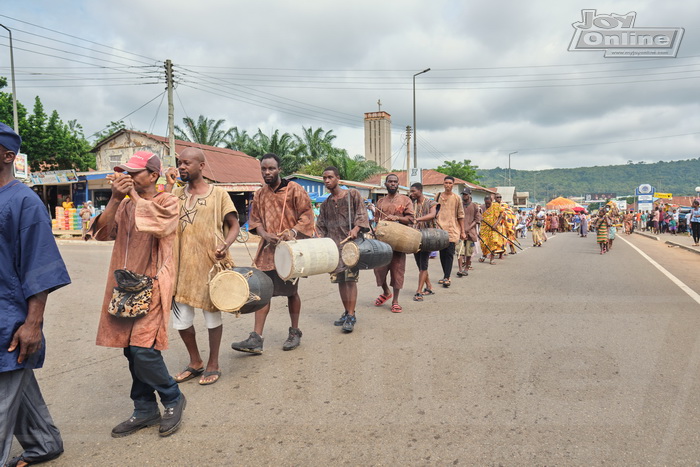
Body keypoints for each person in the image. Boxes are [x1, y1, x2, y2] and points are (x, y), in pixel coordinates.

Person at [88, 151, 186, 438]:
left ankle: (172, 397)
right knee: (130, 350)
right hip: (125, 288)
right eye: (126, 172)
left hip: (154, 285)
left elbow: (160, 223)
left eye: (135, 172)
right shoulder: (126, 205)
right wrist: (117, 199)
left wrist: (134, 197)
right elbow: (103, 233)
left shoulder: (167, 200)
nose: (128, 177)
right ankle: (144, 408)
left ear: (153, 175)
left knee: (144, 350)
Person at [0, 123, 71, 467]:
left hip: (8, 318)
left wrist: (33, 323)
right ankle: (44, 442)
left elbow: (39, 267)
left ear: (8, 156)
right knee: (14, 380)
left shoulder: (23, 201)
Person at [164, 147, 240, 386]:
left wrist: (225, 245)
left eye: (186, 163)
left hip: (209, 267)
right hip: (180, 269)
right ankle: (195, 361)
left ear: (201, 166)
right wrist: (167, 187)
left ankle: (213, 363)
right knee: (182, 321)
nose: (181, 167)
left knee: (211, 318)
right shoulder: (175, 193)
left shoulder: (218, 195)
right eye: (179, 163)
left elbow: (234, 225)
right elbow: (161, 217)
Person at [231, 153, 314, 353]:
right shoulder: (260, 194)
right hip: (267, 250)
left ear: (279, 170)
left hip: (291, 250)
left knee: (291, 292)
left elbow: (307, 214)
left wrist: (292, 232)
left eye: (271, 169)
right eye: (264, 169)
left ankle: (295, 332)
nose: (267, 172)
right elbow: (255, 220)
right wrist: (264, 234)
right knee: (262, 291)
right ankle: (256, 338)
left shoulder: (294, 190)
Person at [315, 167, 369, 332]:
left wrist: (357, 228)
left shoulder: (352, 194)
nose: (326, 181)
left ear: (338, 178)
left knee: (350, 280)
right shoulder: (325, 205)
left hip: (351, 247)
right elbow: (321, 226)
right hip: (334, 248)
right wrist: (319, 239)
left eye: (330, 177)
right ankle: (346, 312)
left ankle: (351, 315)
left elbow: (362, 213)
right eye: (324, 178)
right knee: (341, 281)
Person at [371, 174, 414, 313]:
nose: (393, 184)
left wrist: (397, 217)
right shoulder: (381, 202)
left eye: (395, 182)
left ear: (398, 184)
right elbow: (376, 220)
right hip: (382, 242)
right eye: (390, 181)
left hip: (399, 241)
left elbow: (411, 219)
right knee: (379, 269)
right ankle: (385, 292)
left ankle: (395, 301)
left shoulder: (405, 200)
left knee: (397, 271)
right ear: (386, 184)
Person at [409, 182, 437, 302]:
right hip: (415, 238)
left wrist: (418, 219)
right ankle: (429, 286)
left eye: (413, 191)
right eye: (411, 191)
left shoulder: (431, 202)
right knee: (420, 265)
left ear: (420, 191)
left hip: (428, 238)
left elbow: (432, 214)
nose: (412, 194)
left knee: (423, 264)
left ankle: (419, 291)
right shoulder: (411, 204)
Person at [435, 176, 465, 287]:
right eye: (446, 183)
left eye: (450, 183)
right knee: (442, 253)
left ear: (453, 185)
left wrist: (463, 231)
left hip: (452, 229)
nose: (448, 185)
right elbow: (433, 212)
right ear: (443, 184)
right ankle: (445, 275)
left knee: (449, 253)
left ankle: (447, 277)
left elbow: (461, 215)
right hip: (439, 229)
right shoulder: (437, 196)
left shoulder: (457, 198)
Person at [457, 187, 481, 277]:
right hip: (460, 232)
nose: (464, 196)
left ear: (469, 195)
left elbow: (477, 219)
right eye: (463, 194)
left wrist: (468, 228)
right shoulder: (459, 205)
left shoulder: (474, 206)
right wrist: (462, 229)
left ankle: (466, 268)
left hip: (470, 233)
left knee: (468, 252)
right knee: (459, 251)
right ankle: (460, 269)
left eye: (466, 194)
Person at [478, 195, 505, 263]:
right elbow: (478, 217)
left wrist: (495, 224)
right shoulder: (481, 207)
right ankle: (484, 255)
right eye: (486, 203)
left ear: (491, 201)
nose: (487, 205)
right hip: (484, 228)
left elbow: (501, 215)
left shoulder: (496, 206)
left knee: (493, 242)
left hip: (493, 228)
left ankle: (492, 258)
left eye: (489, 203)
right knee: (483, 243)